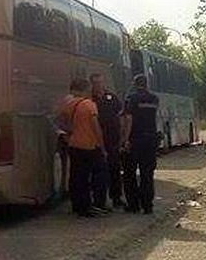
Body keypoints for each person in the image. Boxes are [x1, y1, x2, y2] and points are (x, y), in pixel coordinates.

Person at [59, 78, 107, 217]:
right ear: (85, 89)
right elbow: (95, 126)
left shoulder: (68, 104)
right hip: (89, 145)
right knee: (89, 176)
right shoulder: (89, 104)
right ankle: (87, 207)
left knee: (76, 176)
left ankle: (77, 205)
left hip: (73, 144)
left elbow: (62, 122)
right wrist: (101, 145)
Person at [122, 74, 160, 214]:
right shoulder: (154, 98)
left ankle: (134, 205)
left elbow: (129, 119)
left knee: (130, 173)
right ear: (146, 84)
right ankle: (148, 205)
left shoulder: (131, 98)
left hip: (135, 139)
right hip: (150, 139)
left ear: (134, 83)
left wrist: (125, 139)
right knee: (147, 173)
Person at [90, 73, 124, 209]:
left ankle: (116, 198)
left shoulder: (111, 98)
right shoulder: (90, 100)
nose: (98, 85)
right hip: (96, 139)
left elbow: (120, 115)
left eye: (100, 82)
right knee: (99, 171)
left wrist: (122, 136)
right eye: (95, 83)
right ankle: (100, 202)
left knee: (114, 169)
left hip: (112, 138)